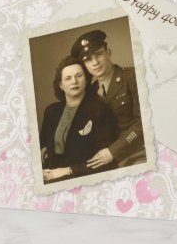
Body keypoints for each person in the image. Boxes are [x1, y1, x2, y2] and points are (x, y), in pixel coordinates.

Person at [70, 29, 146, 169]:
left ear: (108, 53)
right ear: (84, 65)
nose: (95, 62)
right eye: (88, 59)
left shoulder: (132, 77)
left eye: (99, 54)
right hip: (108, 162)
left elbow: (144, 122)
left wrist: (113, 151)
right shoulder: (90, 93)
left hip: (138, 152)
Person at [40, 55, 118, 183]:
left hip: (84, 177)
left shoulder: (100, 111)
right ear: (61, 85)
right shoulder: (51, 111)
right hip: (51, 176)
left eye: (79, 76)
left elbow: (104, 162)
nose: (74, 82)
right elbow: (43, 145)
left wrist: (68, 171)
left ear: (86, 80)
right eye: (68, 78)